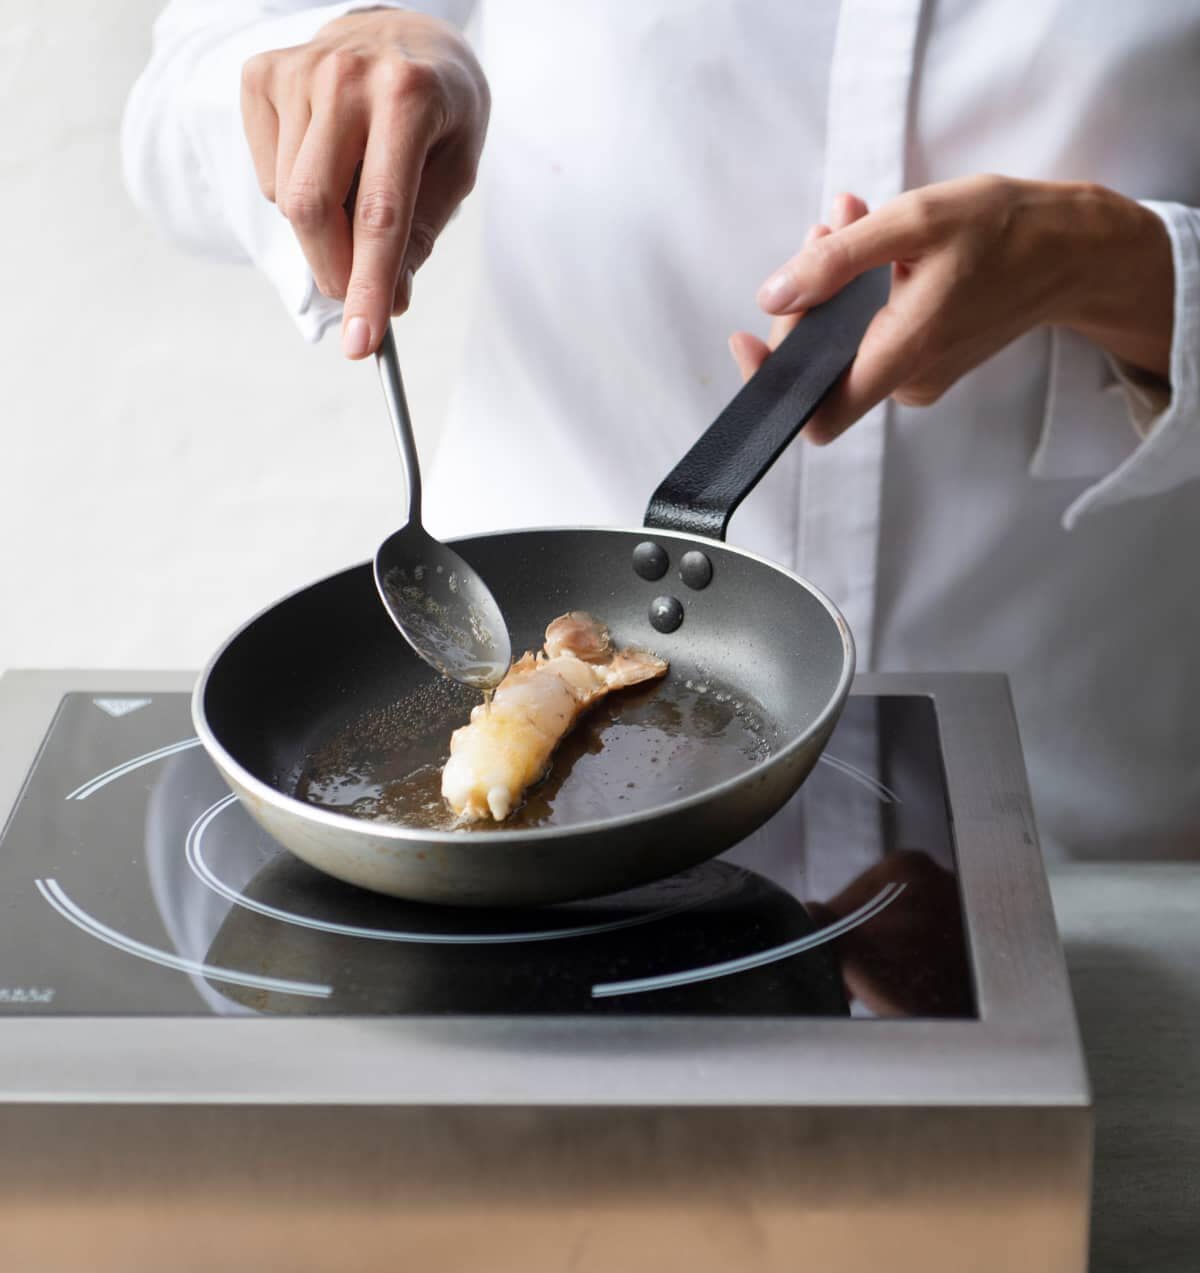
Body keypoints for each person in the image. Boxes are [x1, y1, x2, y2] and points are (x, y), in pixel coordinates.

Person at [122, 1, 1200, 860]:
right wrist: (337, 48)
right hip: (526, 638)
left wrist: (1127, 267)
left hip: (1072, 793)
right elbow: (178, 102)